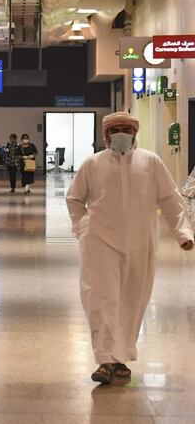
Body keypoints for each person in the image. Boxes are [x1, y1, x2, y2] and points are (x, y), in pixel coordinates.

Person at [66, 112, 194, 385]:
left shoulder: (151, 162)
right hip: (99, 242)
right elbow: (74, 198)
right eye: (115, 130)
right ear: (105, 135)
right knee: (101, 298)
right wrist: (82, 227)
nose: (120, 134)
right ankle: (105, 360)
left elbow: (170, 199)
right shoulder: (93, 164)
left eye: (125, 129)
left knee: (132, 301)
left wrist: (183, 233)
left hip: (140, 242)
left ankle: (120, 359)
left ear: (135, 133)